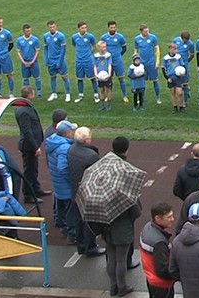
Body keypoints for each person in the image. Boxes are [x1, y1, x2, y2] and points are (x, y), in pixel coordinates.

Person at [103, 137, 142, 297]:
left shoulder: (103, 174)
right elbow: (136, 210)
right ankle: (122, 286)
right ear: (126, 149)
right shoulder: (125, 175)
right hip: (123, 226)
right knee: (121, 259)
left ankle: (113, 287)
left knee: (111, 257)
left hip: (106, 223)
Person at [66, 126, 106, 257]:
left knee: (79, 219)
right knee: (89, 220)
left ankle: (82, 245)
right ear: (87, 140)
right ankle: (90, 247)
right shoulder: (91, 155)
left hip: (75, 189)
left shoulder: (71, 149)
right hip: (87, 191)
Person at [44, 120, 77, 244]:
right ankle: (72, 235)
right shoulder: (64, 148)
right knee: (70, 212)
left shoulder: (52, 141)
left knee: (61, 208)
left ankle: (64, 229)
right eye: (71, 130)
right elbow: (62, 168)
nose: (73, 132)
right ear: (67, 133)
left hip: (57, 183)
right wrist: (71, 180)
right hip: (65, 185)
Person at [15, 86, 49, 203]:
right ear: (30, 95)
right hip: (29, 146)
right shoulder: (23, 110)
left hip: (31, 144)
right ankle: (28, 195)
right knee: (29, 171)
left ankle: (36, 189)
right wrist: (35, 147)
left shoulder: (25, 106)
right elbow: (27, 131)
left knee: (33, 169)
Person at [140, 202, 177, 298]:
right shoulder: (159, 243)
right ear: (157, 218)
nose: (172, 219)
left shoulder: (147, 227)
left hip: (151, 278)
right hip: (162, 285)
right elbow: (162, 270)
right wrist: (177, 275)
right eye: (169, 217)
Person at [100, 20, 130, 103]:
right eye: (111, 27)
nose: (113, 29)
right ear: (108, 28)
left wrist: (119, 55)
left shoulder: (120, 37)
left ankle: (124, 96)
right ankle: (109, 95)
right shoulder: (104, 37)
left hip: (117, 61)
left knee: (121, 78)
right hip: (107, 62)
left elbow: (124, 48)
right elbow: (101, 48)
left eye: (114, 27)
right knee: (108, 79)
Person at [43, 20, 72, 102]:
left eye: (53, 27)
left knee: (64, 76)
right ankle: (54, 93)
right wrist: (46, 59)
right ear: (48, 27)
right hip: (51, 60)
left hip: (59, 59)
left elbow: (63, 50)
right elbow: (45, 48)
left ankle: (68, 94)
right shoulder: (45, 36)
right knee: (52, 77)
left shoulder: (60, 36)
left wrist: (60, 61)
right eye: (50, 27)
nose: (52, 28)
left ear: (56, 27)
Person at [71, 21, 99, 103]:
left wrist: (89, 53)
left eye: (85, 28)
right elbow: (74, 45)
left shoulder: (90, 36)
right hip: (79, 61)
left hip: (88, 60)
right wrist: (78, 53)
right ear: (78, 28)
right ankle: (80, 94)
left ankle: (96, 94)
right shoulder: (74, 37)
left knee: (92, 78)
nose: (84, 29)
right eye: (82, 28)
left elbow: (94, 46)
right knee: (79, 78)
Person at [134, 24, 162, 104]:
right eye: (145, 31)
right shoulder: (136, 39)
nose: (147, 33)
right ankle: (142, 98)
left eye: (147, 31)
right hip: (141, 64)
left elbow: (157, 50)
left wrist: (157, 62)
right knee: (142, 81)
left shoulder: (153, 37)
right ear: (141, 31)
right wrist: (136, 63)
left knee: (155, 80)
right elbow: (135, 51)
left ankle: (157, 97)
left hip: (151, 63)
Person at [16, 24, 41, 98]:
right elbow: (18, 52)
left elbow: (37, 51)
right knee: (25, 79)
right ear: (23, 31)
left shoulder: (35, 39)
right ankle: (26, 94)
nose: (29, 32)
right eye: (27, 31)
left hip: (33, 62)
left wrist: (32, 61)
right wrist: (23, 62)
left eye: (30, 31)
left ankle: (39, 93)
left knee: (37, 78)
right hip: (24, 62)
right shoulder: (19, 40)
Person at [162, 43, 187, 113]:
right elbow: (163, 69)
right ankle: (175, 107)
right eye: (174, 49)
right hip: (170, 77)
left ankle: (181, 106)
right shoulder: (166, 58)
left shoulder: (178, 57)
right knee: (172, 92)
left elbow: (183, 65)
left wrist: (183, 73)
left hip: (178, 77)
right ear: (170, 49)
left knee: (180, 93)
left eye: (176, 49)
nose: (175, 51)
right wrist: (167, 78)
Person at [173, 31, 195, 107]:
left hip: (184, 66)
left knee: (185, 83)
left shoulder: (190, 44)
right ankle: (177, 100)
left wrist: (186, 61)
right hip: (176, 65)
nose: (187, 41)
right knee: (176, 83)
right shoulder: (175, 40)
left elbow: (192, 55)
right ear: (182, 38)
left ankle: (184, 102)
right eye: (185, 40)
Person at [93, 40, 113, 111]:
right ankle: (102, 105)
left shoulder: (108, 55)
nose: (104, 48)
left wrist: (109, 74)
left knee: (108, 89)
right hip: (99, 76)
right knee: (101, 89)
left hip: (107, 75)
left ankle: (109, 104)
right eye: (103, 47)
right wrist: (96, 75)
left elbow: (109, 65)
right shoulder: (96, 56)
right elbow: (95, 66)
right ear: (98, 47)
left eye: (105, 47)